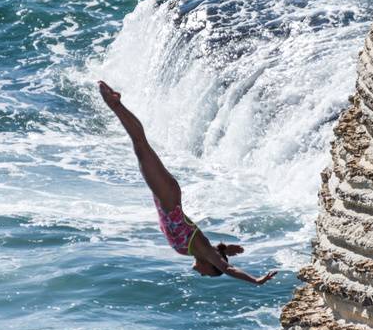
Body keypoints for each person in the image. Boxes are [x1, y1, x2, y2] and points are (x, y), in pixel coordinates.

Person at [97, 81, 277, 284]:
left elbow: (217, 253)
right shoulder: (208, 254)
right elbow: (229, 269)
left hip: (165, 198)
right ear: (212, 265)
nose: (201, 273)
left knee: (140, 146)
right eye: (207, 273)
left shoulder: (201, 249)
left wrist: (225, 248)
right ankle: (115, 104)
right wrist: (255, 280)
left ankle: (116, 105)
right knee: (140, 144)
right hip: (169, 198)